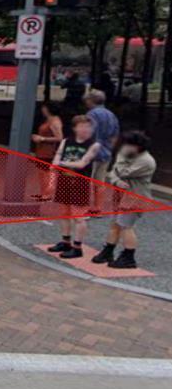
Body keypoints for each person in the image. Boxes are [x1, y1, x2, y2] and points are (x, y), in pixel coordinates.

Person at [92, 130, 155, 269]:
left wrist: (118, 168)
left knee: (126, 226)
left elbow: (121, 171)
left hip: (134, 198)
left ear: (138, 146)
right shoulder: (126, 153)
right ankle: (108, 251)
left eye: (128, 144)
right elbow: (112, 173)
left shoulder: (146, 161)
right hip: (120, 195)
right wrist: (117, 182)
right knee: (115, 224)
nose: (124, 147)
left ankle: (129, 257)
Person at [49, 116, 101, 259]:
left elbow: (82, 164)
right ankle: (65, 241)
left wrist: (60, 163)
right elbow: (57, 157)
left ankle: (77, 247)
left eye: (88, 127)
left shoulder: (94, 145)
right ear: (75, 128)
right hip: (64, 180)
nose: (86, 130)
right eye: (82, 126)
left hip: (80, 182)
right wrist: (56, 166)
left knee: (78, 216)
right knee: (64, 213)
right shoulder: (66, 141)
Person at [84, 89, 120, 213]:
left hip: (92, 151)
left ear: (91, 100)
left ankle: (84, 206)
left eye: (87, 99)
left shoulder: (91, 114)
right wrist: (110, 148)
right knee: (100, 180)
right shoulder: (111, 115)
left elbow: (89, 133)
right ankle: (98, 207)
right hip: (106, 151)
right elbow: (115, 135)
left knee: (86, 179)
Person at [31, 102, 64, 200]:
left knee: (46, 173)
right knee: (41, 172)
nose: (42, 110)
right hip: (41, 150)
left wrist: (42, 139)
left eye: (44, 108)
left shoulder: (54, 121)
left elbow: (59, 137)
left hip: (49, 151)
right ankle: (43, 192)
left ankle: (47, 194)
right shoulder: (48, 120)